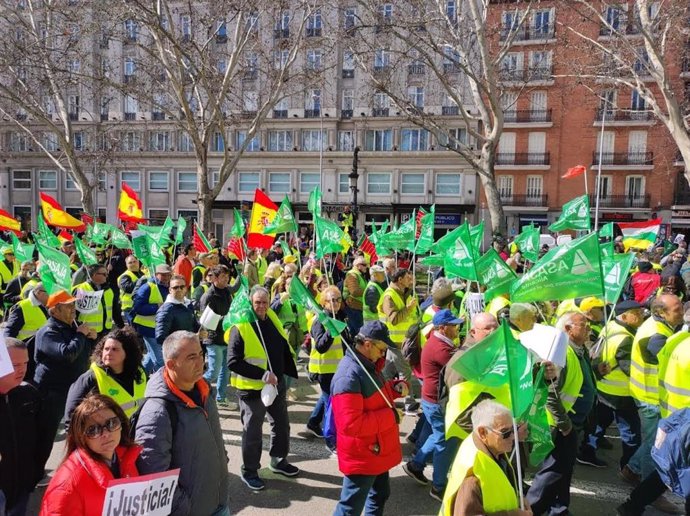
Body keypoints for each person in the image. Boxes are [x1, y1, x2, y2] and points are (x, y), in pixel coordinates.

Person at [135, 331, 230, 516]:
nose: (201, 362)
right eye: (191, 357)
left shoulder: (204, 390)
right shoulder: (157, 412)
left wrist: (222, 465)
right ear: (171, 364)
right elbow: (154, 476)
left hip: (219, 500)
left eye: (201, 354)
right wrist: (184, 507)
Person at [331, 321, 408, 516]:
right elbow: (351, 424)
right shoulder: (348, 376)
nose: (383, 354)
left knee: (380, 494)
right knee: (350, 507)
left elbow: (375, 395)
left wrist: (394, 388)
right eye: (381, 349)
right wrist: (391, 416)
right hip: (363, 452)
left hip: (375, 448)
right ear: (367, 344)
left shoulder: (368, 365)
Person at [227, 285, 299, 491]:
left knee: (282, 425)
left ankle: (278, 460)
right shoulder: (240, 327)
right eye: (257, 302)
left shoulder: (272, 319)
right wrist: (262, 374)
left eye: (264, 302)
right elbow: (232, 362)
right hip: (252, 389)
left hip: (276, 385)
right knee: (253, 432)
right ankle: (249, 470)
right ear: (251, 303)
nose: (261, 306)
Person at [527, 311, 596, 516]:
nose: (588, 329)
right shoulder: (562, 353)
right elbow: (549, 392)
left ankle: (558, 508)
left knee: (564, 469)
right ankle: (532, 509)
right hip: (560, 425)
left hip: (571, 421)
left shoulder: (577, 349)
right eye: (583, 325)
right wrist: (564, 424)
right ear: (567, 329)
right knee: (552, 471)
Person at [40, 394, 141, 516]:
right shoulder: (67, 486)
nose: (106, 433)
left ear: (121, 425)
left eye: (112, 423)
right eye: (93, 430)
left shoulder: (127, 457)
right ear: (81, 437)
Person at [403, 309, 462, 501]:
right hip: (437, 402)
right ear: (443, 328)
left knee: (437, 437)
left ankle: (415, 465)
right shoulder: (441, 348)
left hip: (431, 400)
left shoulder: (438, 341)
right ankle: (438, 487)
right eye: (454, 325)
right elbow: (461, 366)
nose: (457, 328)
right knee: (445, 443)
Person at [628, 294, 683, 498]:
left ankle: (631, 469)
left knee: (653, 441)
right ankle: (649, 491)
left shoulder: (659, 325)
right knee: (654, 446)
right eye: (677, 309)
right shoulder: (655, 335)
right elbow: (672, 361)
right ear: (661, 312)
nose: (682, 312)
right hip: (649, 399)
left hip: (650, 395)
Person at [583, 300, 644, 481]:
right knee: (631, 434)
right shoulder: (625, 338)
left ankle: (586, 452)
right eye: (638, 313)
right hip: (621, 394)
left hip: (604, 388)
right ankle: (629, 467)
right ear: (625, 316)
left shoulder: (610, 325)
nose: (642, 316)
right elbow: (631, 370)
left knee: (600, 423)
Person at [34, 290, 96, 466]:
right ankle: (36, 473)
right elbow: (67, 354)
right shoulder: (48, 332)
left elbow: (82, 354)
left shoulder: (71, 327)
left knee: (78, 430)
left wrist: (90, 339)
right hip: (53, 392)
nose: (73, 310)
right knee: (46, 435)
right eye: (68, 306)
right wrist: (80, 335)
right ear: (54, 311)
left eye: (73, 305)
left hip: (72, 389)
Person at [441, 400, 531, 516]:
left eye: (514, 429)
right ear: (483, 433)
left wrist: (517, 497)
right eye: (505, 432)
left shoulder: (493, 449)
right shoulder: (473, 476)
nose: (513, 437)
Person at [0, 338, 48, 516]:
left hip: (23, 486)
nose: (22, 369)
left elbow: (42, 437)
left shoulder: (29, 394)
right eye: (14, 364)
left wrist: (35, 473)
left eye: (26, 363)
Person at [64, 327, 147, 425]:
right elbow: (71, 418)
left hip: (136, 434)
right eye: (106, 349)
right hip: (106, 438)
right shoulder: (90, 378)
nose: (108, 353)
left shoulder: (140, 373)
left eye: (115, 349)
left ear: (127, 353)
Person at [306, 285, 347, 445]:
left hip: (337, 367)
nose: (336, 303)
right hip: (323, 369)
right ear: (324, 302)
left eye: (338, 299)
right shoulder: (320, 320)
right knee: (332, 403)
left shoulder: (339, 316)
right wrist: (331, 330)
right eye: (332, 300)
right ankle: (332, 440)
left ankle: (313, 423)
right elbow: (321, 347)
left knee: (326, 399)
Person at [378, 268, 420, 413]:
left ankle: (380, 395)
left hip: (403, 340)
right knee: (405, 372)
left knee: (388, 372)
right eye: (408, 277)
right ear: (400, 280)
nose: (411, 279)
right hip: (395, 341)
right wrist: (408, 309)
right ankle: (409, 403)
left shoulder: (404, 293)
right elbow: (394, 319)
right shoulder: (389, 296)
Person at [200, 265, 237, 404]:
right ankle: (195, 389)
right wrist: (223, 319)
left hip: (226, 338)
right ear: (214, 278)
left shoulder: (227, 291)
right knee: (213, 372)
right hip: (213, 339)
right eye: (223, 276)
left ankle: (221, 398)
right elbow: (204, 321)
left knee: (225, 371)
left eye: (227, 276)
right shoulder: (208, 296)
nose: (226, 279)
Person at [131, 264, 171, 373]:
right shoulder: (147, 287)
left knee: (151, 356)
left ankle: (137, 378)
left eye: (168, 275)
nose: (166, 277)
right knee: (160, 361)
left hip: (160, 329)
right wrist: (156, 307)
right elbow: (137, 308)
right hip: (148, 329)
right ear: (156, 274)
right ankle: (160, 384)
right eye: (163, 275)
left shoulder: (169, 287)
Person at [72, 263, 123, 342]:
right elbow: (73, 314)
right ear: (94, 275)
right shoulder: (81, 290)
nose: (107, 276)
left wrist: (122, 327)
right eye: (104, 274)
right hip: (87, 334)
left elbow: (115, 311)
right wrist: (79, 331)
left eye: (107, 273)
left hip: (105, 332)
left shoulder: (108, 290)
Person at [156, 274, 203, 346]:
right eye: (175, 287)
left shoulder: (188, 304)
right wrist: (187, 340)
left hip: (191, 347)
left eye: (182, 287)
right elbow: (161, 337)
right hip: (177, 352)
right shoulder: (165, 310)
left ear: (186, 288)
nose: (179, 290)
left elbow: (193, 325)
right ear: (170, 290)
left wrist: (201, 332)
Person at [343, 256, 368, 336]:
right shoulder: (352, 275)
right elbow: (354, 291)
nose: (366, 267)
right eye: (364, 265)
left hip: (358, 307)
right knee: (360, 333)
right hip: (353, 307)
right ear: (358, 265)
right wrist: (369, 291)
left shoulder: (359, 275)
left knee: (357, 333)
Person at [117, 255, 143, 323]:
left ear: (138, 262)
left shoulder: (142, 274)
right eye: (130, 263)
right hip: (129, 308)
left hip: (140, 306)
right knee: (134, 330)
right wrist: (140, 281)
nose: (133, 264)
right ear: (126, 265)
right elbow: (128, 288)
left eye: (134, 261)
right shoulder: (124, 276)